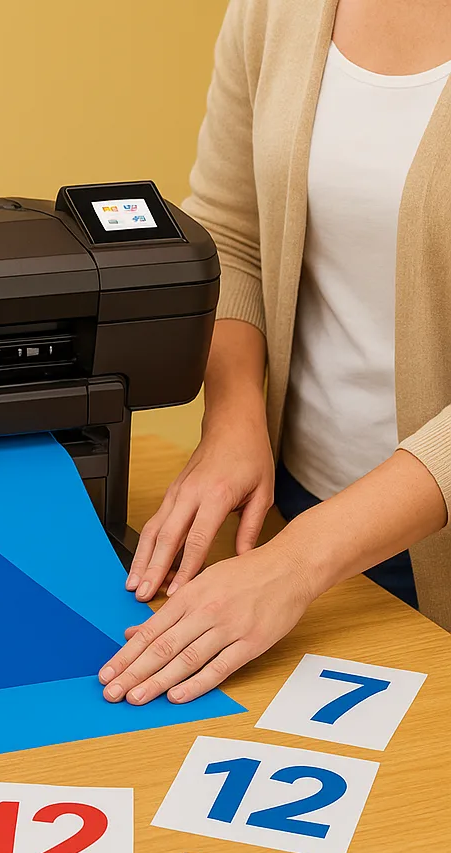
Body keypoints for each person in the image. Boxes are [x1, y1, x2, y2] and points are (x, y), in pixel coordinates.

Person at [99, 0, 451, 707]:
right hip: (289, 518)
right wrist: (232, 417)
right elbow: (231, 232)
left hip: (363, 555)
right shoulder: (275, 10)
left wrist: (299, 563)